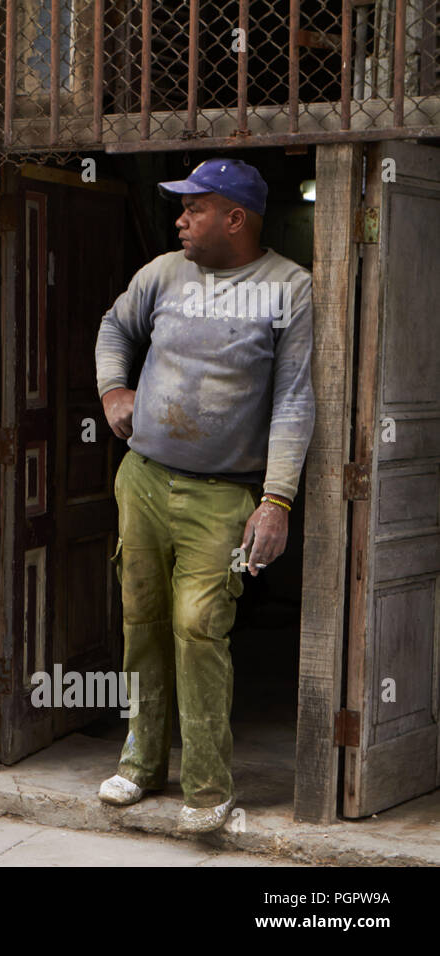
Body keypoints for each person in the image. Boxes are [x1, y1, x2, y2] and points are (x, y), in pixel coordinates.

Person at [93, 158, 314, 834]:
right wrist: (113, 388)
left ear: (235, 218)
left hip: (224, 496)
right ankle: (140, 763)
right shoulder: (161, 274)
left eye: (195, 207)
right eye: (180, 207)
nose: (181, 218)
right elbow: (112, 326)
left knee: (198, 627)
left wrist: (276, 501)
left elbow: (295, 400)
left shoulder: (288, 288)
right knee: (142, 620)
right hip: (143, 478)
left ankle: (209, 787)